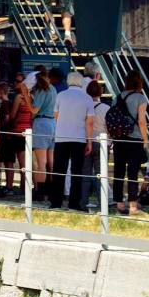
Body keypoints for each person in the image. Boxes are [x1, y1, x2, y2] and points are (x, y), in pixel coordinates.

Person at [111, 72, 149, 215]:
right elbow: (141, 120)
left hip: (119, 138)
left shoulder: (118, 97)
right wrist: (145, 138)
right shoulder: (140, 98)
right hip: (134, 139)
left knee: (118, 172)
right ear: (139, 82)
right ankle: (133, 205)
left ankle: (119, 204)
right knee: (133, 172)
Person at [50, 71, 90, 210]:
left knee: (59, 171)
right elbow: (89, 121)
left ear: (68, 82)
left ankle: (56, 202)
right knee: (77, 172)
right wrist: (89, 140)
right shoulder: (87, 98)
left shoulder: (61, 95)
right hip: (79, 137)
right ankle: (74, 203)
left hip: (62, 137)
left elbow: (56, 115)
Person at [0, 76, 33, 195]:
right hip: (28, 130)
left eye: (18, 81)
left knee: (20, 162)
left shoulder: (19, 97)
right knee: (27, 162)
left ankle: (22, 188)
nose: (15, 83)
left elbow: (12, 116)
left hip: (18, 131)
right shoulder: (32, 97)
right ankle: (27, 187)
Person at [28, 67, 56, 194]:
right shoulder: (53, 88)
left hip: (41, 123)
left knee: (41, 162)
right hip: (52, 123)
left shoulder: (42, 89)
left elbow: (34, 110)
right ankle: (54, 189)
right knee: (51, 160)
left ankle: (40, 192)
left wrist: (25, 94)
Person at [83, 81, 110, 209]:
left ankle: (84, 200)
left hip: (86, 141)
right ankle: (103, 201)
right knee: (101, 174)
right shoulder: (106, 108)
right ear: (101, 92)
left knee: (85, 174)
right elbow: (109, 128)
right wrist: (110, 141)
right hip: (101, 142)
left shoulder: (83, 107)